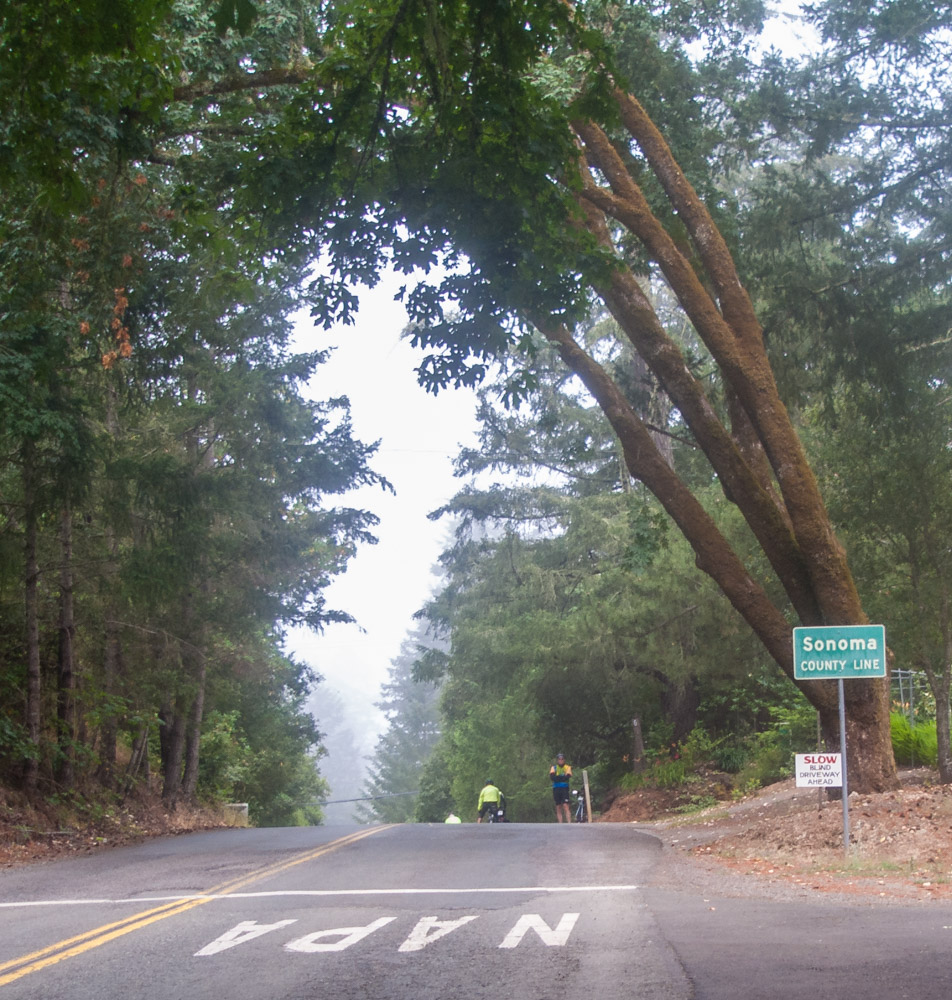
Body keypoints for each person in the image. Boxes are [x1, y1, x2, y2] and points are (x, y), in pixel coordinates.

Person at [549, 753, 572, 823]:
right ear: (557, 760)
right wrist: (562, 777)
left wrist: (558, 777)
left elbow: (567, 777)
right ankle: (560, 824)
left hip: (564, 788)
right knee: (558, 806)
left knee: (565, 805)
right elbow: (552, 778)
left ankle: (569, 822)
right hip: (556, 788)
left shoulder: (568, 767)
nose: (561, 760)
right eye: (559, 759)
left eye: (562, 759)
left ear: (564, 760)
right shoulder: (554, 768)